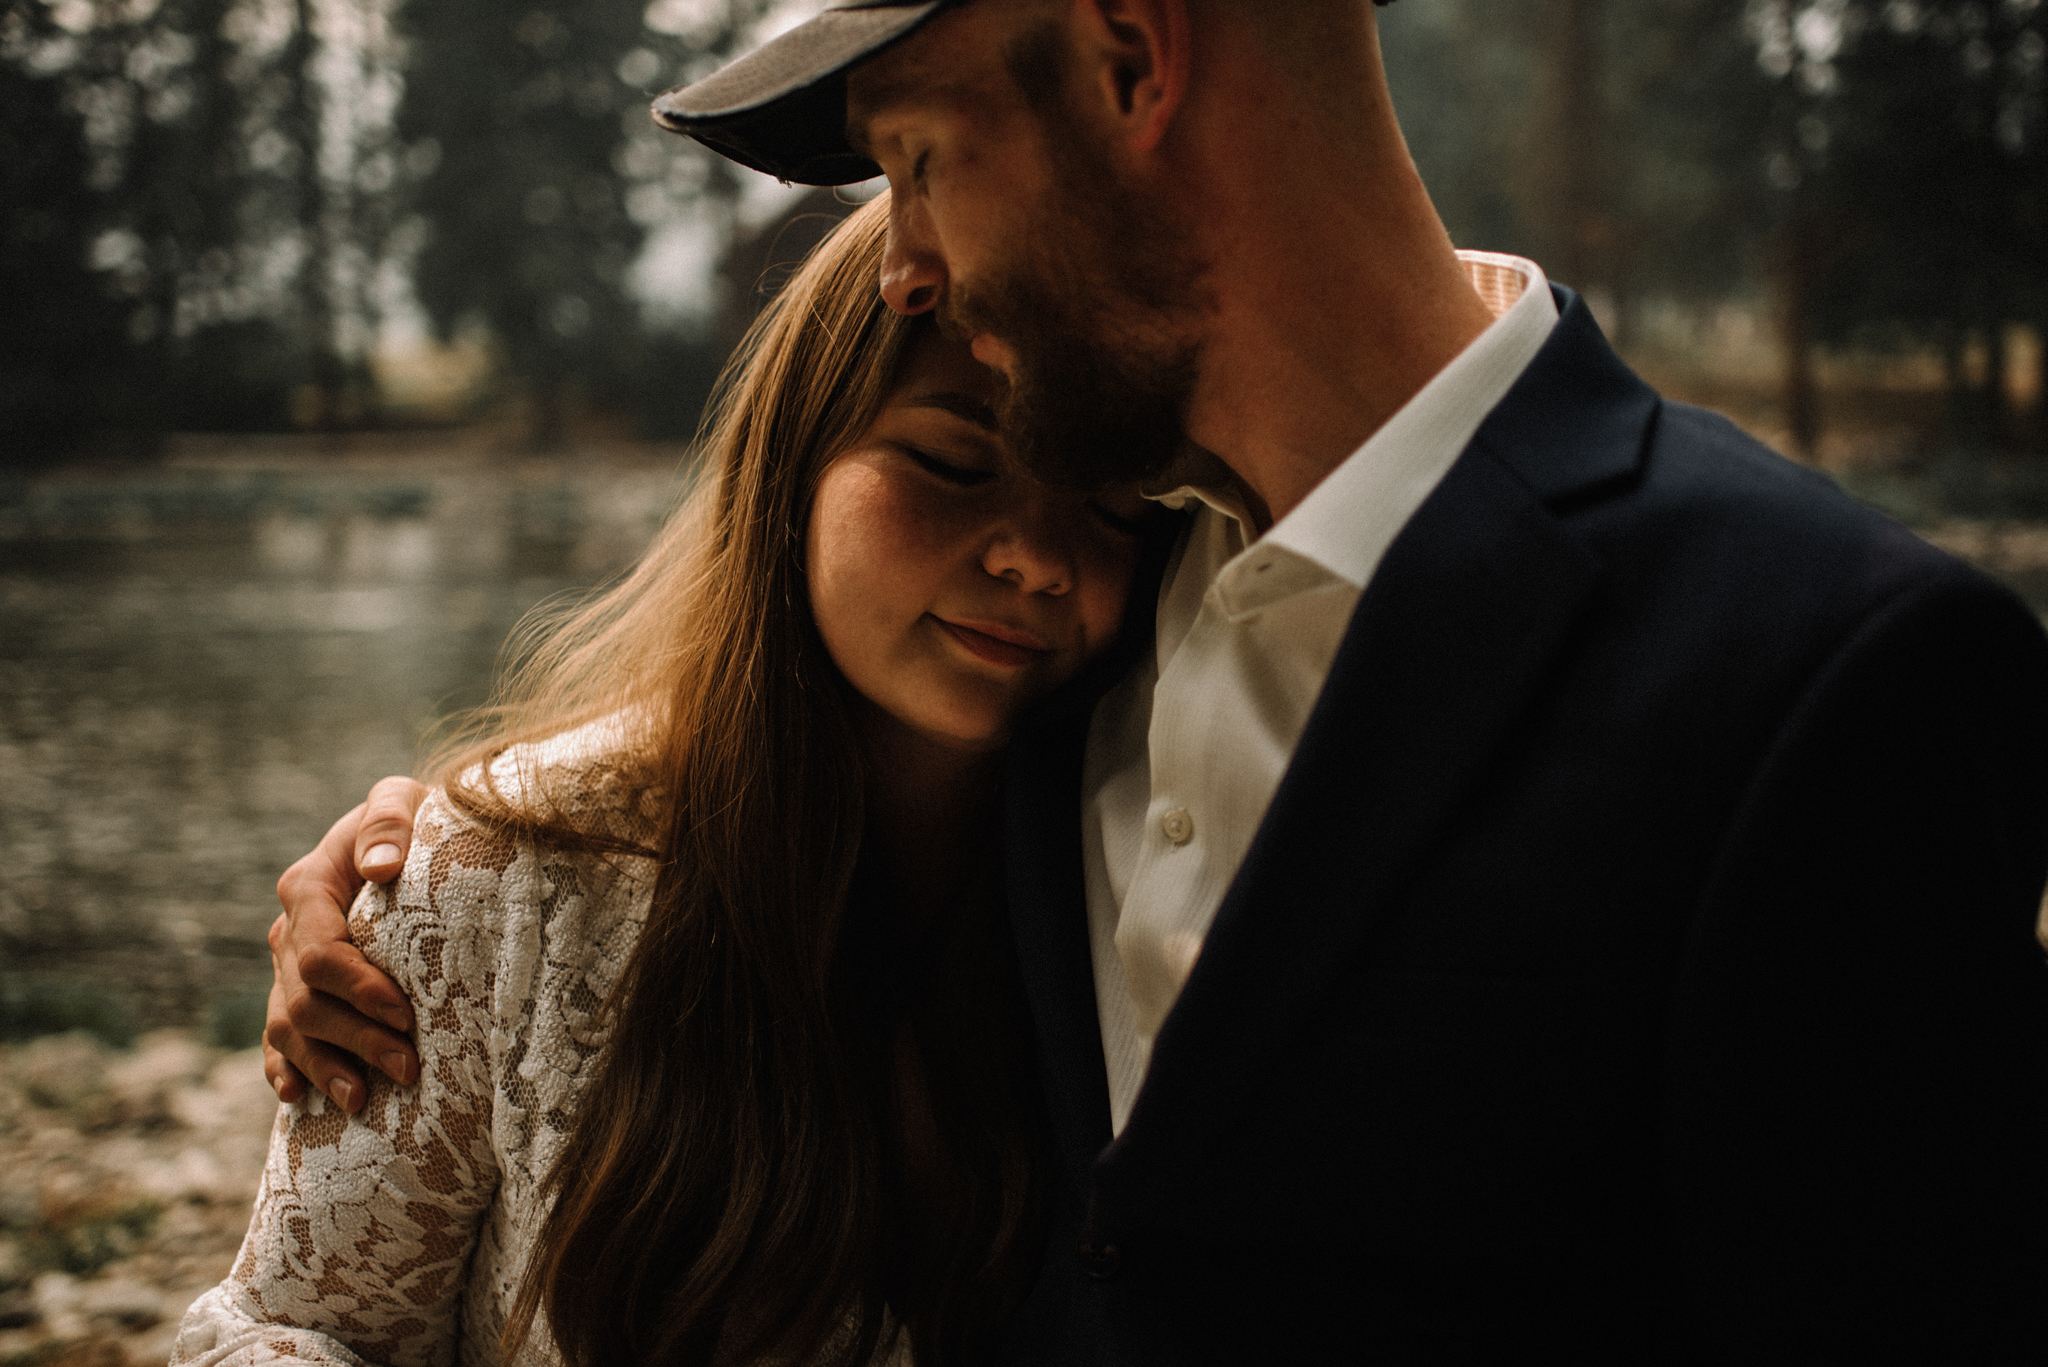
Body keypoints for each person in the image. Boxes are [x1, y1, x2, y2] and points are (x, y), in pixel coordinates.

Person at [266, 1, 2048, 1360]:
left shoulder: (1825, 663)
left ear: (1129, 57)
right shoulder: (1064, 624)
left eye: (917, 159)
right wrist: (449, 863)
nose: (900, 264)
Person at [174, 193, 1163, 1367]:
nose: (1038, 555)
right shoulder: (501, 873)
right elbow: (289, 1330)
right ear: (791, 461)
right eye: (954, 461)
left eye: (1111, 503)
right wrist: (424, 883)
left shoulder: (1153, 869)